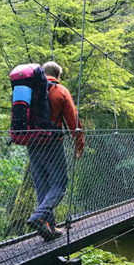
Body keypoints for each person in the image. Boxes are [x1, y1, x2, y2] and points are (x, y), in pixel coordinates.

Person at [27, 61, 85, 241]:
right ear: (58, 76)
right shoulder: (60, 91)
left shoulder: (29, 90)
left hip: (31, 143)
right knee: (59, 185)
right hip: (53, 143)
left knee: (42, 187)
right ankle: (40, 216)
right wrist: (79, 145)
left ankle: (49, 229)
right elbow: (73, 120)